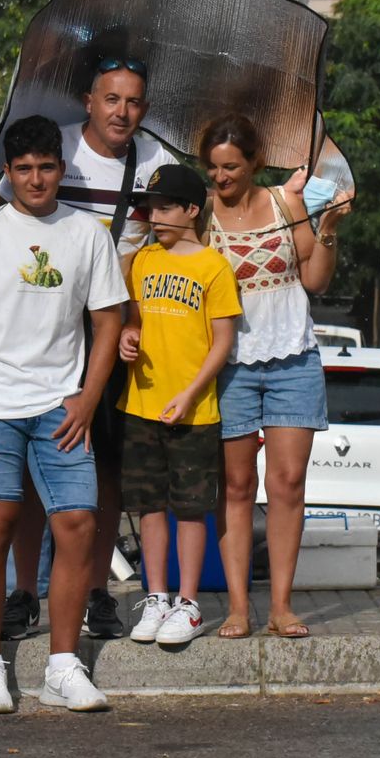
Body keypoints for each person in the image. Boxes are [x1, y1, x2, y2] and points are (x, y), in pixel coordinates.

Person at [0, 56, 178, 641]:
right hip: (41, 328)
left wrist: (137, 317)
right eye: (112, 99)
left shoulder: (158, 161)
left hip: (116, 325)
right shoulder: (54, 146)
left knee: (104, 478)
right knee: (18, 481)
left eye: (134, 101)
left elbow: (177, 235)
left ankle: (97, 591)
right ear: (90, 101)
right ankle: (26, 591)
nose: (123, 112)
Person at [0, 115, 125, 714]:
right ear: (8, 172)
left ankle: (63, 668)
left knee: (76, 524)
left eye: (47, 166)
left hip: (61, 404)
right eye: (24, 168)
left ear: (61, 167)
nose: (37, 178)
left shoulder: (88, 234)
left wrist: (89, 397)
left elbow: (108, 322)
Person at [198, 113, 351, 641]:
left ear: (254, 163)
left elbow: (313, 279)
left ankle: (281, 606)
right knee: (235, 487)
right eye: (214, 168)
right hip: (228, 363)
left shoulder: (287, 204)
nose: (222, 178)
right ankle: (238, 607)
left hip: (292, 356)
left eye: (232, 167)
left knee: (287, 483)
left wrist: (327, 231)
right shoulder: (199, 218)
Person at [116, 165, 241, 645]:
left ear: (192, 209)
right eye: (151, 209)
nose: (155, 217)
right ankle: (156, 596)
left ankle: (188, 602)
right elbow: (132, 318)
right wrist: (129, 335)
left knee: (190, 509)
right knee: (149, 506)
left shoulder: (213, 267)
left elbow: (222, 342)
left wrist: (190, 393)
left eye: (165, 208)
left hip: (194, 411)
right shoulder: (143, 260)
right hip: (141, 403)